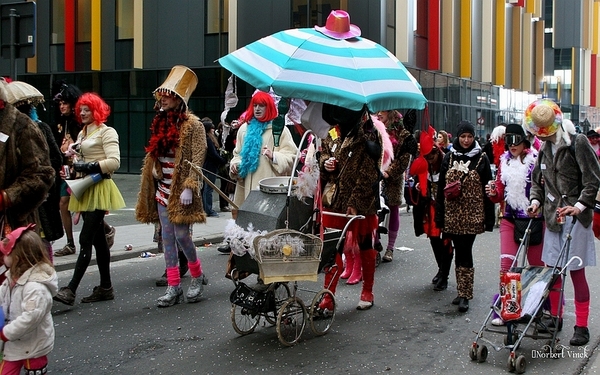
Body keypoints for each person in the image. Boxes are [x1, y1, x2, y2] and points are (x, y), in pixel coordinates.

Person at [525, 99, 600, 346]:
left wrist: (578, 207)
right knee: (553, 272)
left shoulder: (577, 142)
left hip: (576, 219)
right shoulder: (544, 149)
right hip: (553, 219)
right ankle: (555, 317)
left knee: (576, 273)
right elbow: (537, 181)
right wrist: (535, 201)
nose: (542, 135)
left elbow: (592, 180)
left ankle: (582, 326)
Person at [135, 65, 208, 307]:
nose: (163, 98)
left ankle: (196, 276)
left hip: (181, 191)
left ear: (178, 98)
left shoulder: (194, 125)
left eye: (167, 94)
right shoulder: (160, 122)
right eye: (161, 94)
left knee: (182, 236)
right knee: (166, 239)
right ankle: (173, 286)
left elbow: (198, 156)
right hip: (162, 189)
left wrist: (190, 186)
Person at [53, 92, 125, 306]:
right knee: (98, 242)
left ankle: (71, 289)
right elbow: (80, 159)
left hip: (99, 188)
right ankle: (105, 287)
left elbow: (114, 162)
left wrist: (88, 166)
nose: (83, 113)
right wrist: (72, 168)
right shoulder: (83, 134)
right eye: (81, 109)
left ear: (97, 111)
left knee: (85, 239)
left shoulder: (107, 132)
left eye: (87, 109)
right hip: (83, 187)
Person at [319, 104, 387, 311]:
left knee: (365, 246)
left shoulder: (370, 134)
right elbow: (322, 154)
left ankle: (368, 290)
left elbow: (369, 174)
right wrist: (326, 163)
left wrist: (355, 204)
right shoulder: (331, 132)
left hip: (362, 204)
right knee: (333, 250)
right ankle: (328, 298)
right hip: (335, 200)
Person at [218, 91, 298, 253]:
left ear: (269, 107)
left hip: (270, 192)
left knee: (267, 234)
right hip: (247, 190)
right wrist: (235, 165)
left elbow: (292, 156)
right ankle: (248, 266)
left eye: (262, 105)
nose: (258, 109)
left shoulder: (279, 129)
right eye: (255, 105)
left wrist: (274, 156)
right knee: (248, 231)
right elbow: (237, 155)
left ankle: (267, 268)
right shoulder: (244, 130)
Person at [485, 123, 544, 325]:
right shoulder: (504, 163)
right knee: (507, 266)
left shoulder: (535, 160)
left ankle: (537, 310)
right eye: (507, 141)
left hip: (533, 220)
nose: (511, 145)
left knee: (537, 268)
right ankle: (508, 309)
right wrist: (493, 194)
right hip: (510, 218)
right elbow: (500, 192)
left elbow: (542, 189)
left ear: (524, 141)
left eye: (515, 140)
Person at [435, 120, 495, 313]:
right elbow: (440, 190)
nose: (467, 140)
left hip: (472, 216)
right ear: (458, 137)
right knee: (456, 250)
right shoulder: (449, 157)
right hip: (452, 215)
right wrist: (440, 216)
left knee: (464, 251)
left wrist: (489, 218)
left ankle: (465, 295)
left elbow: (488, 190)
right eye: (463, 136)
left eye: (469, 136)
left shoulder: (482, 158)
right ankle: (461, 291)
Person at [6, 81, 64, 263]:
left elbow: (55, 159)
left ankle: (45, 275)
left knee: (40, 239)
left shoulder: (40, 128)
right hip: (15, 202)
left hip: (39, 198)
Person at [0, 225, 57, 375]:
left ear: (17, 258)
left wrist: (6, 333)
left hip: (34, 345)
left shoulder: (36, 288)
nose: (2, 257)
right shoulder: (10, 278)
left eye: (6, 254)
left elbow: (31, 317)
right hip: (14, 345)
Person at [409, 127, 454, 291]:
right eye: (426, 157)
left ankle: (444, 274)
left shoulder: (447, 163)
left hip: (446, 209)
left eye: (432, 156)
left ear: (437, 152)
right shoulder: (423, 166)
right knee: (434, 240)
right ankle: (441, 270)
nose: (430, 160)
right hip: (430, 209)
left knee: (446, 241)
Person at [375, 109, 417, 263]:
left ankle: (390, 247)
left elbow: (404, 158)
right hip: (375, 175)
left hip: (392, 178)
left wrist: (388, 173)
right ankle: (376, 242)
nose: (379, 114)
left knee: (393, 209)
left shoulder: (402, 133)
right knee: (372, 209)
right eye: (377, 111)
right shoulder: (373, 127)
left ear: (391, 113)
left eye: (383, 111)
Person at [201, 117, 227, 217]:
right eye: (211, 128)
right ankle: (208, 209)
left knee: (207, 189)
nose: (213, 129)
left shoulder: (211, 138)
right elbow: (213, 154)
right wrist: (222, 160)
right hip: (210, 166)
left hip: (211, 165)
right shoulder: (208, 139)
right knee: (209, 189)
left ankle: (207, 208)